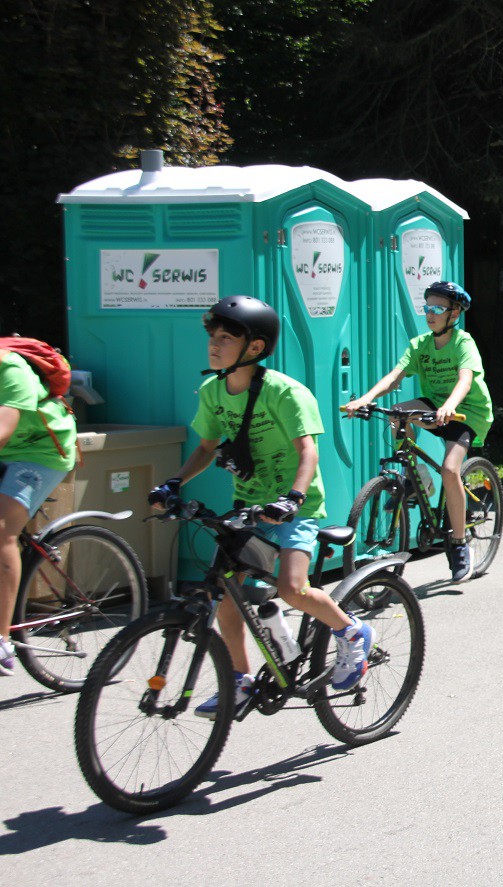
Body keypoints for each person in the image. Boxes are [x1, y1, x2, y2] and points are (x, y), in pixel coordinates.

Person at [149, 295, 369, 715]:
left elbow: (308, 451)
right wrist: (173, 484)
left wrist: (294, 498)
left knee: (292, 588)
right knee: (226, 596)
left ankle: (352, 632)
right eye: (212, 336)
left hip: (296, 507)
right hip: (248, 504)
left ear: (254, 347)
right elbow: (206, 448)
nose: (214, 344)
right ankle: (240, 680)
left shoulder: (285, 392)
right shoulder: (213, 391)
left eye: (226, 338)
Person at [347, 280, 493, 583]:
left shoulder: (463, 342)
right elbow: (395, 377)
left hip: (467, 411)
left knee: (450, 470)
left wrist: (450, 405)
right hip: (435, 406)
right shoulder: (420, 345)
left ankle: (458, 544)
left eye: (438, 309)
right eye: (427, 308)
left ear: (454, 314)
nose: (430, 314)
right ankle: (418, 480)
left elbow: (465, 379)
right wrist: (365, 398)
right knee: (396, 413)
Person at [0, 342, 78, 673]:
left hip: (39, 452)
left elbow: (3, 429)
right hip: (8, 450)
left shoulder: (10, 369)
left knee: (2, 529)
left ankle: (2, 640)